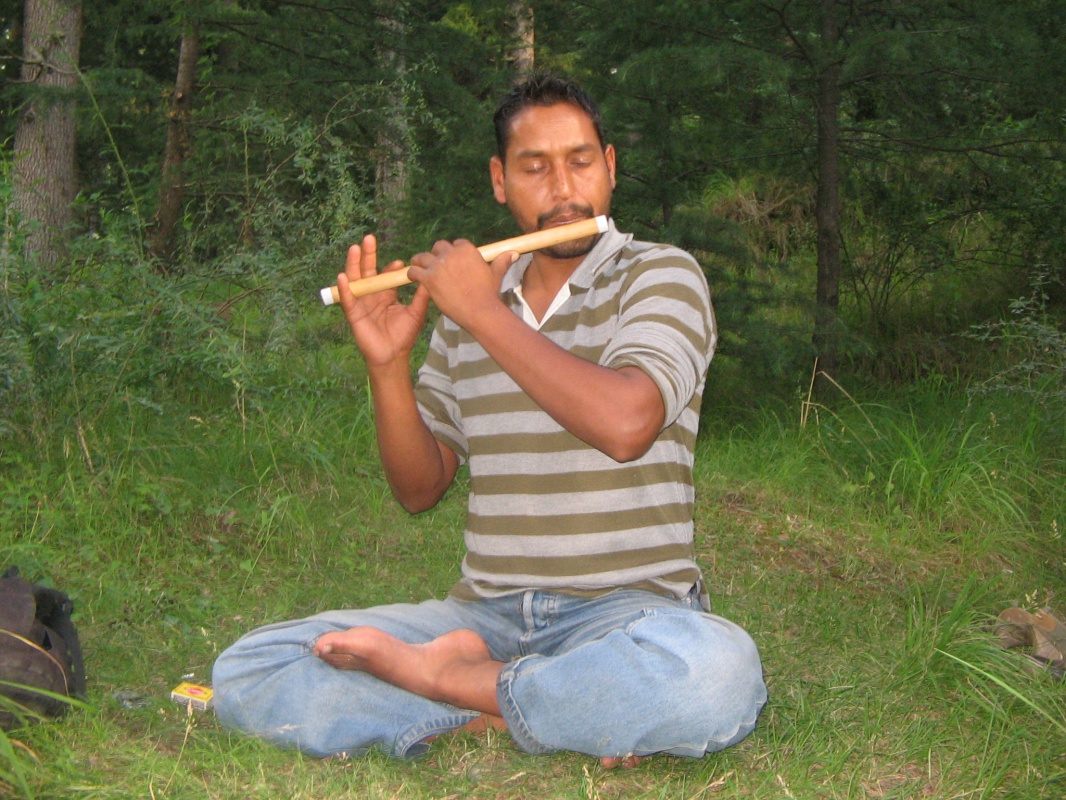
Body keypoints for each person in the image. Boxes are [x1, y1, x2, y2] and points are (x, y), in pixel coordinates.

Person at [212, 75, 766, 768]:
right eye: (535, 168)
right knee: (252, 667)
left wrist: (480, 312)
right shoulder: (471, 307)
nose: (563, 188)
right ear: (500, 181)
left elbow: (628, 424)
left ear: (610, 166)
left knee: (713, 676)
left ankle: (457, 689)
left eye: (581, 161)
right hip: (484, 616)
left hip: (628, 614)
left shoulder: (660, 275)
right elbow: (420, 488)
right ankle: (534, 709)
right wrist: (388, 365)